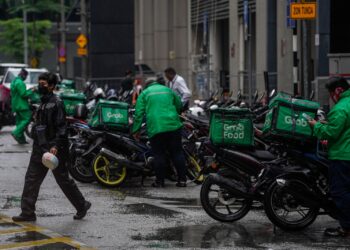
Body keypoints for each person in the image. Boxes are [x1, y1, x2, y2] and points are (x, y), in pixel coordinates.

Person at [12, 72, 91, 222]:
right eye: (39, 83)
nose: (40, 86)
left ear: (52, 86)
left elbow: (61, 127)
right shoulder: (42, 102)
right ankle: (27, 212)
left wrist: (55, 145)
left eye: (44, 84)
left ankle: (82, 205)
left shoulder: (57, 103)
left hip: (54, 149)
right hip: (39, 147)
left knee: (63, 180)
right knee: (31, 179)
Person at [309, 77, 350, 237]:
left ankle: (346, 228)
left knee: (341, 192)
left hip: (343, 156)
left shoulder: (341, 108)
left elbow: (331, 132)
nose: (332, 97)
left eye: (332, 93)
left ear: (339, 91)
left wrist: (316, 125)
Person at [132, 79, 187, 188]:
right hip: (173, 125)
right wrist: (177, 113)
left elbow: (138, 114)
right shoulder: (168, 90)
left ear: (146, 86)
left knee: (159, 154)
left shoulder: (144, 93)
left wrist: (136, 130)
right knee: (177, 153)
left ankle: (160, 182)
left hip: (156, 127)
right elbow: (179, 105)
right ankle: (182, 181)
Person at [10, 69, 33, 144]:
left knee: (19, 123)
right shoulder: (20, 83)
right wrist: (32, 91)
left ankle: (21, 139)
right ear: (23, 75)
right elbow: (23, 94)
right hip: (22, 105)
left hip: (15, 105)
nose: (25, 78)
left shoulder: (14, 82)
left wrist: (28, 90)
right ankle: (16, 133)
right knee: (27, 119)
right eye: (25, 76)